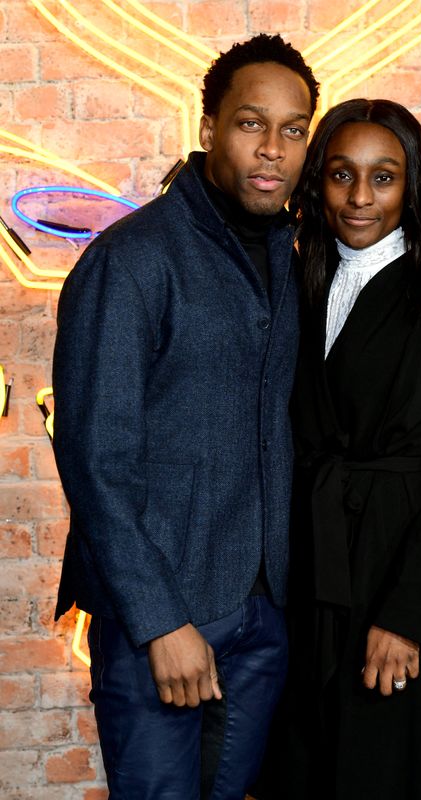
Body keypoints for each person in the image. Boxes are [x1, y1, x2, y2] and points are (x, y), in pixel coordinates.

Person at [51, 34, 319, 800]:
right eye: (250, 123)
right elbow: (95, 458)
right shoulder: (133, 261)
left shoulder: (287, 254)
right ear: (207, 129)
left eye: (294, 129)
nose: (273, 149)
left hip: (260, 620)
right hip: (160, 625)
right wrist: (162, 623)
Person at [256, 99, 421, 800]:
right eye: (341, 174)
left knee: (383, 776)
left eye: (383, 176)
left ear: (413, 184)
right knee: (297, 774)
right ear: (317, 182)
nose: (360, 196)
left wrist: (406, 616)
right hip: (308, 568)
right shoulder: (297, 286)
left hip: (401, 566)